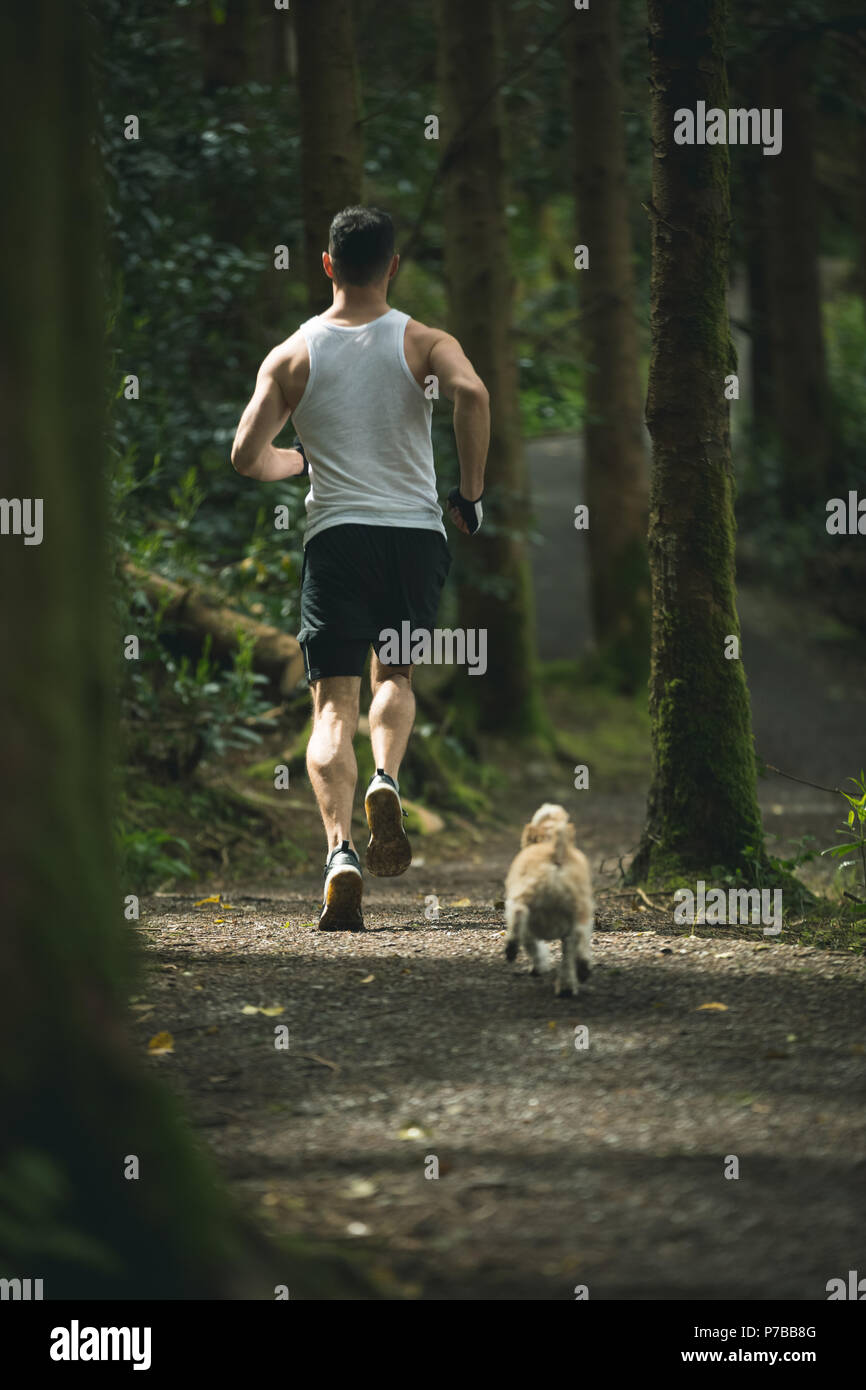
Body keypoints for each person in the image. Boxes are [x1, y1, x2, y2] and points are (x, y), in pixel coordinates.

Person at [231, 206, 489, 929]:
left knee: (331, 705)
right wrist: (469, 495)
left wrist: (300, 460)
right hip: (412, 537)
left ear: (327, 265)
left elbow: (246, 457)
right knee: (396, 676)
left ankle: (341, 852)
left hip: (336, 538)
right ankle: (386, 777)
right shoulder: (425, 340)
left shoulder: (292, 355)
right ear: (393, 266)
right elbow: (473, 394)